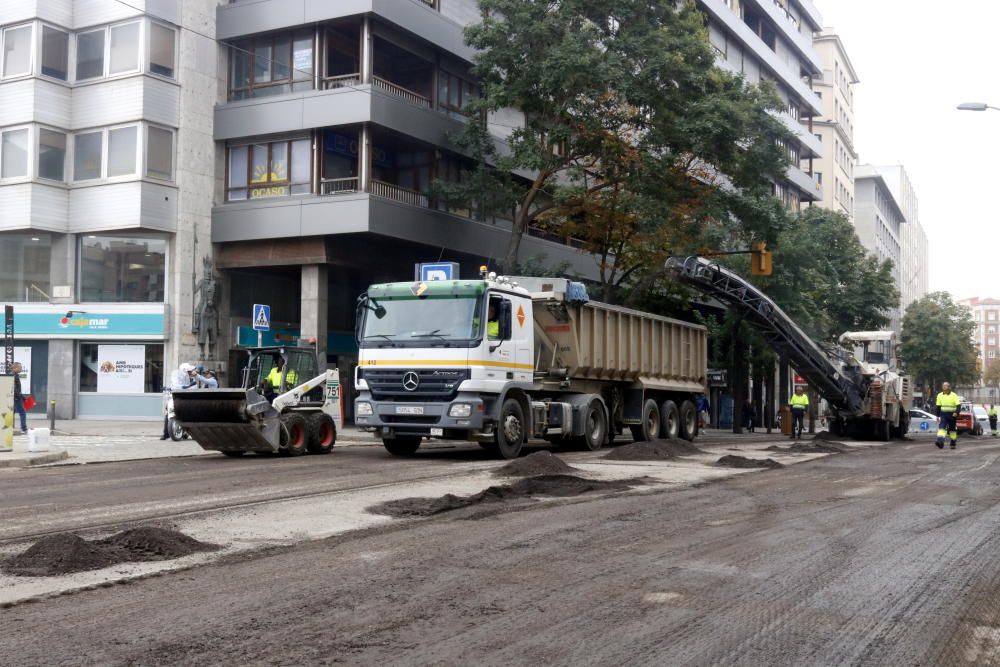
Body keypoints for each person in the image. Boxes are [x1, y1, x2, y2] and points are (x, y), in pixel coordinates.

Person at [161, 362, 197, 440]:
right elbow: (174, 385)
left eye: (190, 371)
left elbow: (194, 387)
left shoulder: (193, 379)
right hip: (175, 396)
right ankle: (166, 434)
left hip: (186, 398)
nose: (190, 372)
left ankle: (191, 433)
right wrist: (169, 388)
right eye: (189, 371)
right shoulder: (177, 376)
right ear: (184, 371)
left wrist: (189, 387)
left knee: (191, 413)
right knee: (168, 412)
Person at [934, 382, 961, 449]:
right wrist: (937, 416)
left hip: (952, 415)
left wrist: (956, 412)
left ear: (949, 387)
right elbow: (938, 406)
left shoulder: (954, 395)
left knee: (952, 430)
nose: (944, 387)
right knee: (942, 428)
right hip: (943, 414)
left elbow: (958, 406)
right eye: (943, 386)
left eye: (946, 386)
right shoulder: (939, 395)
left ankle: (953, 442)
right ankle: (940, 442)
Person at [11, 362, 27, 435]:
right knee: (22, 413)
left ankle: (8, 429)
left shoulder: (15, 375)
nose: (21, 368)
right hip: (16, 398)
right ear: (15, 368)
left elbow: (16, 388)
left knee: (11, 413)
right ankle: (24, 429)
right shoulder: (14, 375)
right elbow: (14, 388)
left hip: (15, 397)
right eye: (20, 367)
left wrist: (22, 397)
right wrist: (20, 396)